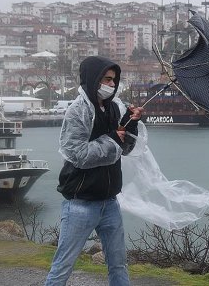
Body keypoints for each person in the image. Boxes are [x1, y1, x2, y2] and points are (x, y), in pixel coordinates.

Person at [45, 56, 142, 286]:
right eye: (106, 79)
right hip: (80, 202)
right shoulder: (77, 112)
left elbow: (124, 149)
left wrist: (130, 123)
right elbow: (77, 154)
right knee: (63, 266)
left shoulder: (115, 108)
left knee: (118, 264)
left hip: (109, 201)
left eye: (114, 80)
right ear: (93, 79)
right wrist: (111, 139)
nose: (111, 85)